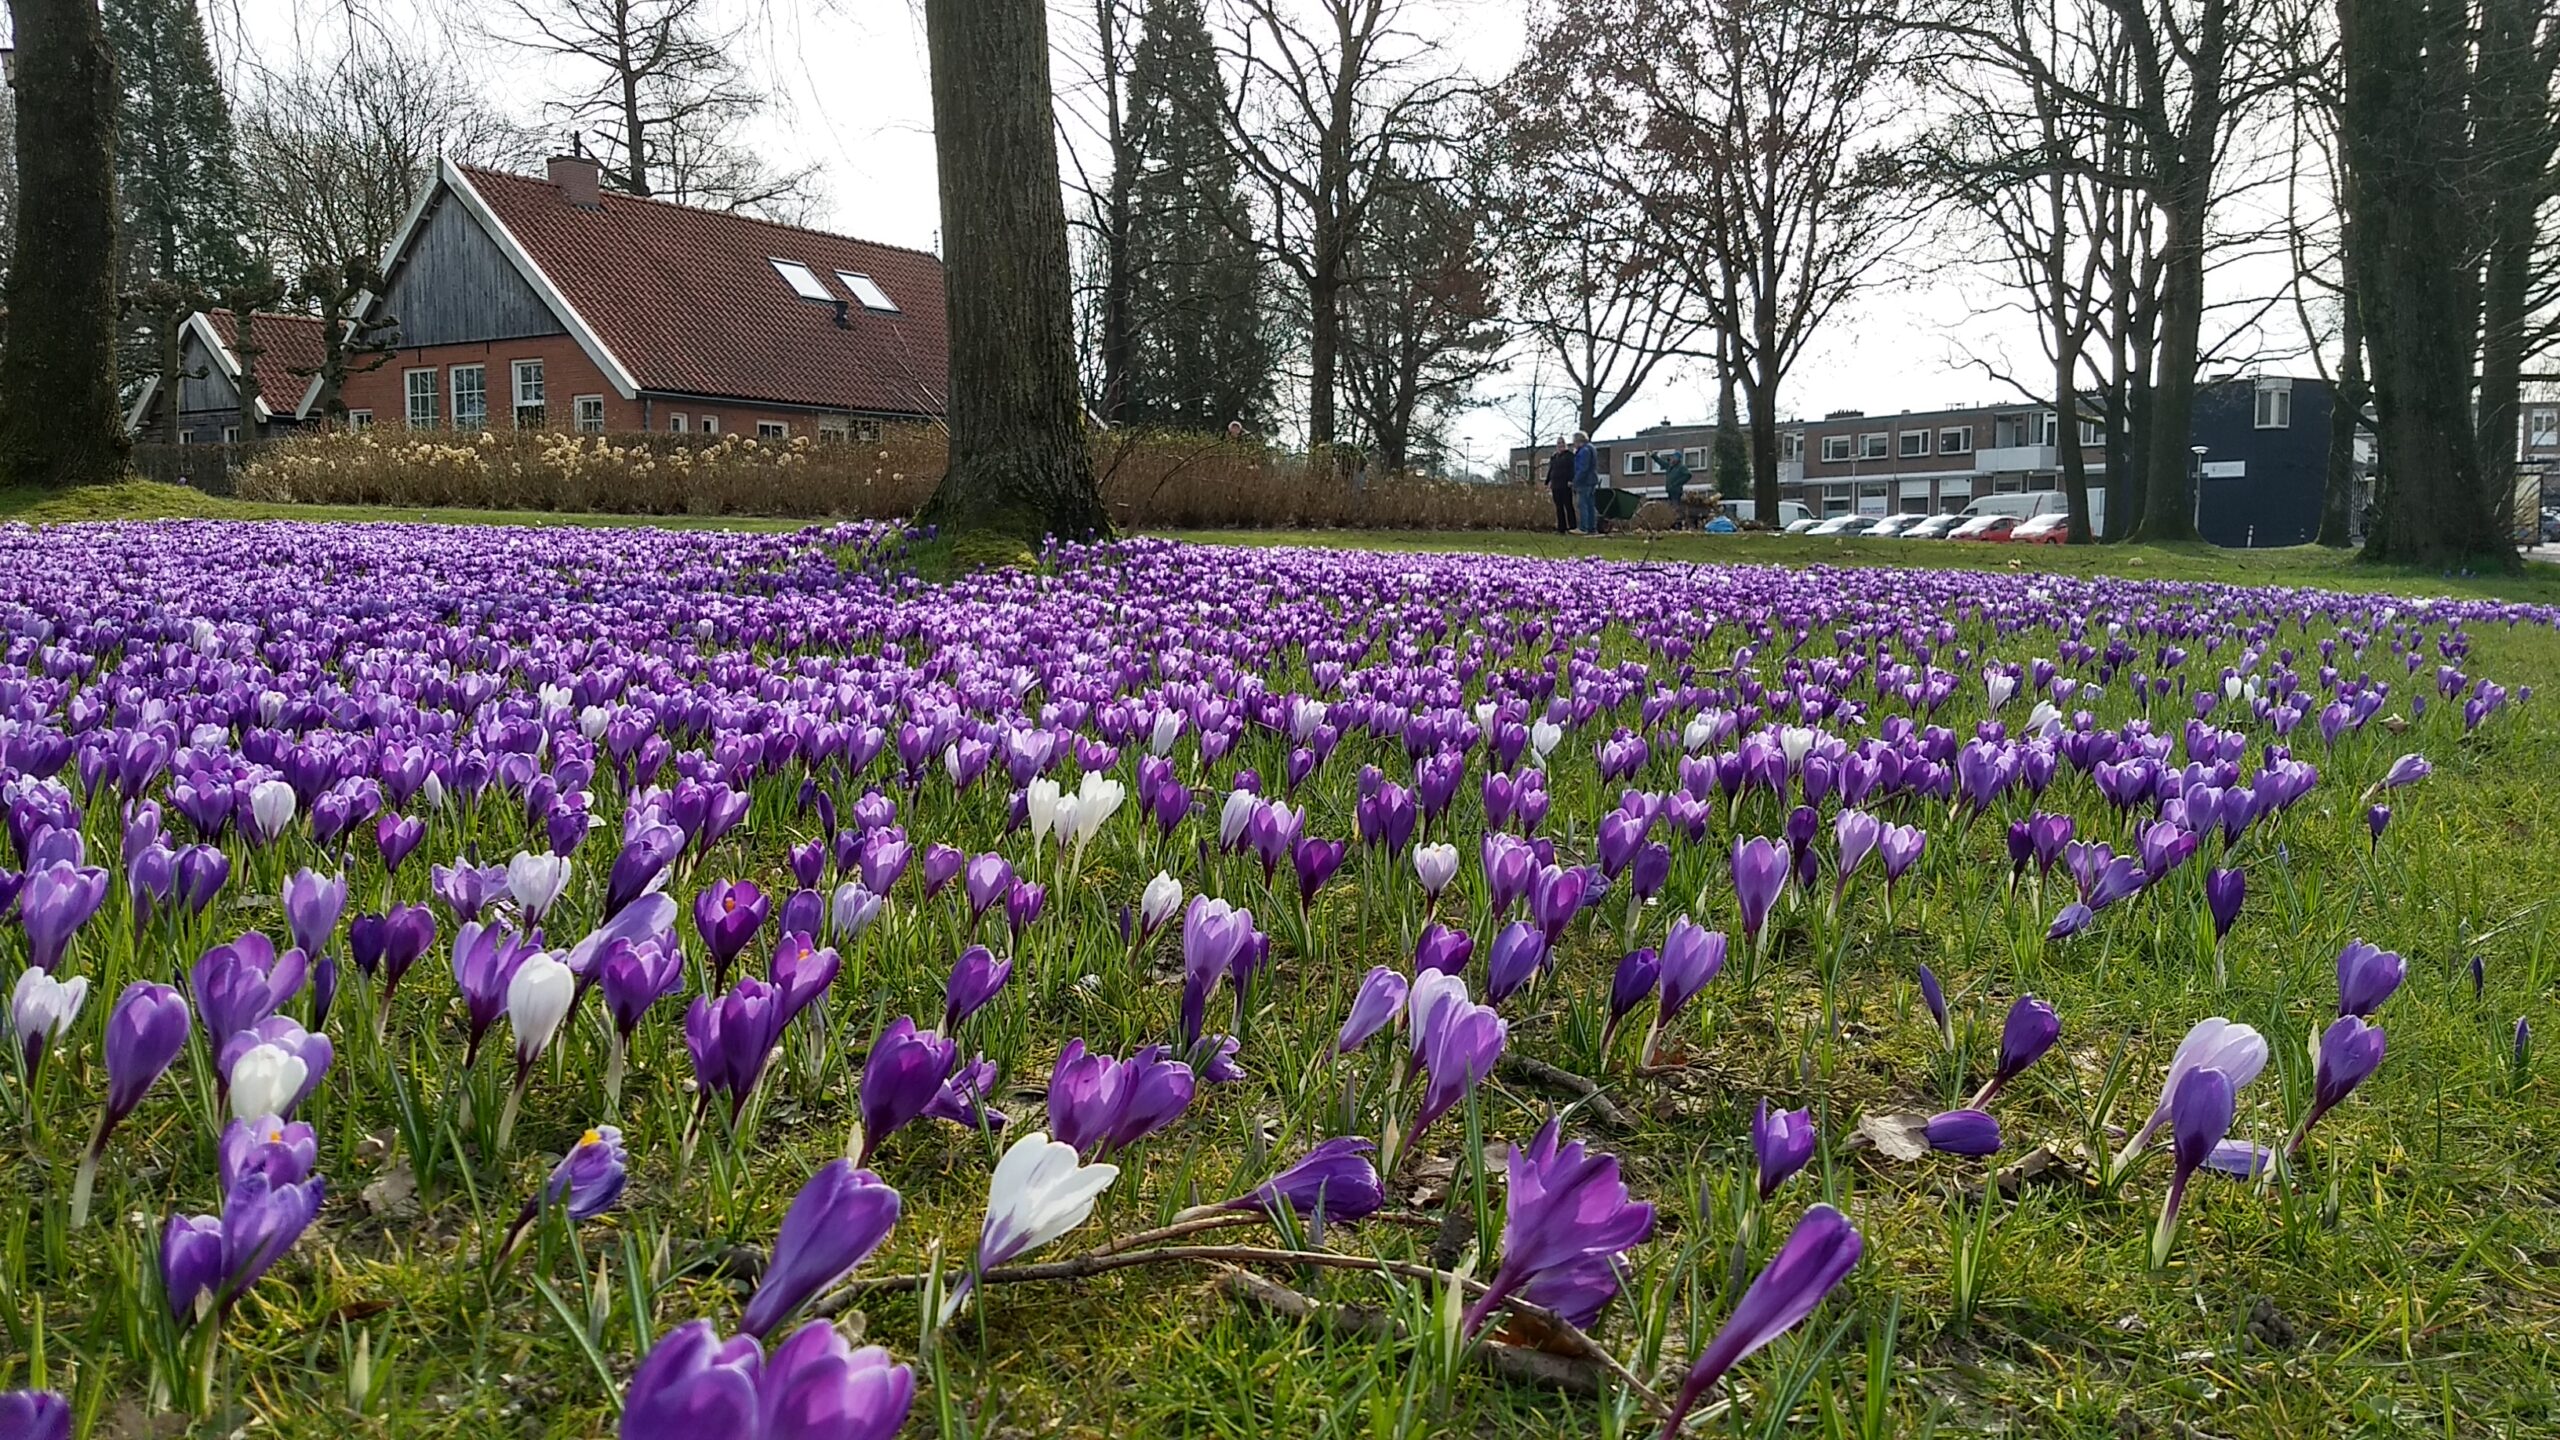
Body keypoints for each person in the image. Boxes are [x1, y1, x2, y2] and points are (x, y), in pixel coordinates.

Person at [1544, 440, 1576, 534]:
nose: (1560, 445)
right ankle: (1561, 528)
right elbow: (1551, 469)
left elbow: (1572, 468)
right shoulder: (1554, 457)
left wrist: (1570, 480)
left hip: (1565, 484)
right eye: (1558, 443)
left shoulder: (1569, 456)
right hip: (1556, 484)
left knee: (1568, 505)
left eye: (1562, 443)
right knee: (1559, 507)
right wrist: (1548, 481)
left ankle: (1572, 526)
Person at [1571, 431, 1599, 535]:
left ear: (1578, 441)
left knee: (1582, 504)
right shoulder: (1592, 448)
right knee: (1590, 504)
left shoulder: (1584, 451)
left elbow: (1583, 468)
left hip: (1584, 481)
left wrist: (1575, 481)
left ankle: (1583, 527)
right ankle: (1592, 527)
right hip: (1592, 480)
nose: (1573, 443)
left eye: (1574, 441)